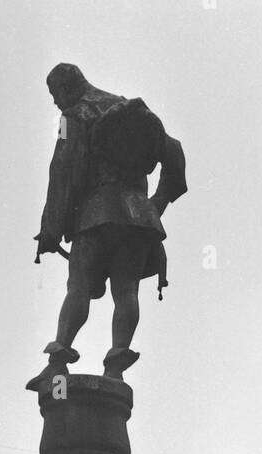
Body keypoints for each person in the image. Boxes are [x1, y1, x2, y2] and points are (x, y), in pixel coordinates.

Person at [29, 63, 187, 387]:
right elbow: (175, 151)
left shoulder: (72, 117)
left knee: (79, 288)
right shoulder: (123, 105)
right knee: (126, 290)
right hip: (138, 219)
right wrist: (157, 204)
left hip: (97, 213)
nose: (55, 103)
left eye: (54, 94)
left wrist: (50, 230)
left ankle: (58, 362)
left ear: (66, 88)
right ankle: (116, 368)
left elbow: (61, 169)